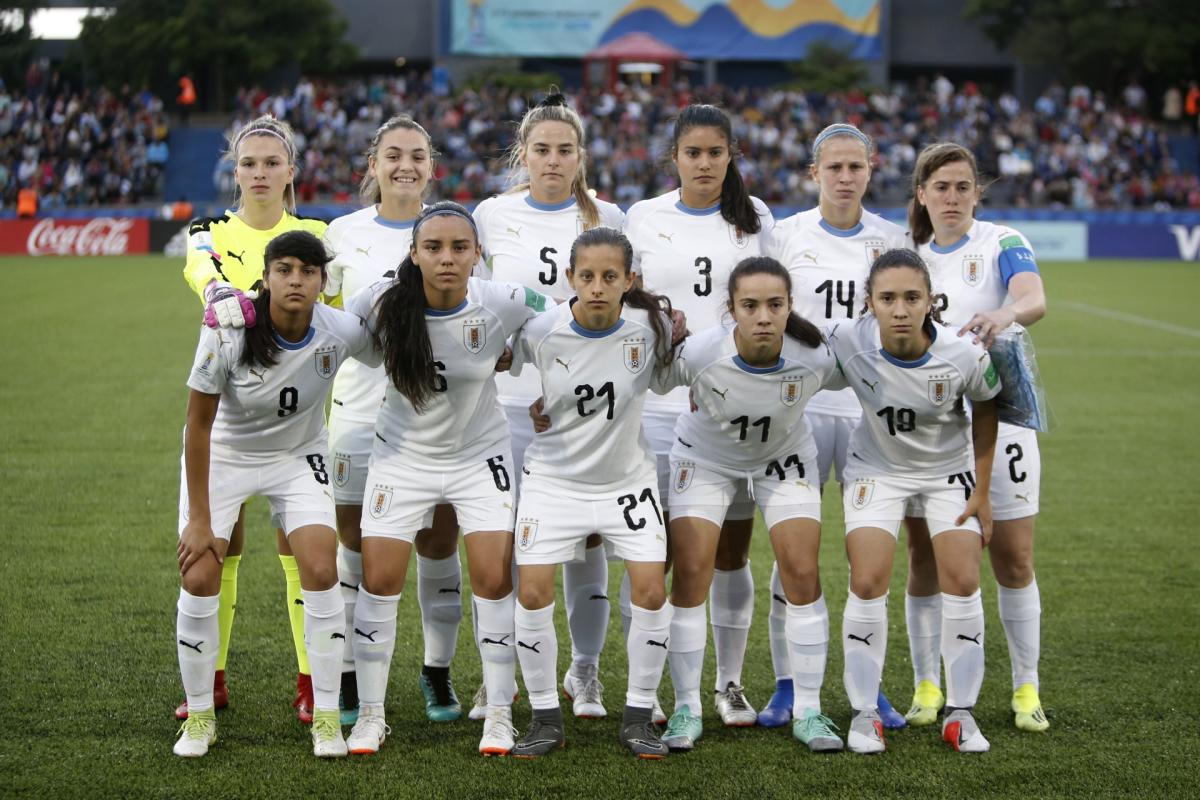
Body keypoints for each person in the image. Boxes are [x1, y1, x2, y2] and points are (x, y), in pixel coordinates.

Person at [340, 202, 551, 758]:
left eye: (460, 247)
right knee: (379, 580)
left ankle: (500, 714)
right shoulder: (383, 303)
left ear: (477, 253)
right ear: (414, 253)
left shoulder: (501, 300)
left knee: (491, 577)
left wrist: (526, 359)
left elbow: (560, 320)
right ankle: (370, 715)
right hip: (400, 459)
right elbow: (336, 335)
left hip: (478, 458)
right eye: (433, 247)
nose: (447, 258)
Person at [173, 230, 371, 758]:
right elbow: (197, 424)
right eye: (284, 269)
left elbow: (394, 343)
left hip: (298, 458)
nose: (296, 280)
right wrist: (198, 519)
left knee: (322, 570)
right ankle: (198, 717)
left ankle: (327, 717)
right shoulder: (229, 329)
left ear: (322, 282)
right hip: (225, 455)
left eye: (307, 272)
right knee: (199, 572)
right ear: (265, 276)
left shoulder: (340, 330)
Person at [472, 91, 624, 721]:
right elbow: (475, 304)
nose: (554, 160)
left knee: (585, 539)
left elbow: (620, 311)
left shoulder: (606, 215)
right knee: (502, 543)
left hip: (581, 409)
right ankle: (498, 675)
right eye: (542, 150)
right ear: (524, 155)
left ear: (580, 156)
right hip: (502, 405)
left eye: (565, 150)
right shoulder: (490, 215)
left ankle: (583, 672)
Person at [623, 103, 774, 728]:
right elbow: (628, 299)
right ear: (675, 159)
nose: (705, 163)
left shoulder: (756, 217)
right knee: (655, 556)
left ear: (730, 155)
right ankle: (650, 688)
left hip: (732, 414)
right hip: (656, 408)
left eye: (716, 152)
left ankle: (729, 684)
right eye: (693, 153)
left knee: (730, 555)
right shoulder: (644, 217)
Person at [661, 257, 846, 754]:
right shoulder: (701, 353)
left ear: (790, 306)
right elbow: (645, 376)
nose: (763, 316)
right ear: (731, 310)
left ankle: (809, 708)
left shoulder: (816, 356)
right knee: (692, 574)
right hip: (706, 461)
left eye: (775, 305)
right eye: (750, 305)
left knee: (802, 573)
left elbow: (876, 363)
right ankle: (686, 707)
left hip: (784, 460)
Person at [507, 226, 678, 759]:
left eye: (610, 276)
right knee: (533, 592)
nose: (598, 286)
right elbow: (501, 368)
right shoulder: (541, 330)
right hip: (553, 480)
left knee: (650, 590)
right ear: (570, 279)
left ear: (629, 280)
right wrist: (540, 406)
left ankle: (637, 717)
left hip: (626, 481)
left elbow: (674, 378)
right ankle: (543, 718)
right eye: (587, 276)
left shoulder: (651, 332)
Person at [181, 114, 328, 723]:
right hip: (228, 414)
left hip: (300, 421)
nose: (260, 173)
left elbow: (335, 308)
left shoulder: (318, 231)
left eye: (272, 163)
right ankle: (210, 681)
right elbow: (205, 280)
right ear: (234, 170)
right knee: (221, 545)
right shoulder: (207, 231)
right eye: (249, 163)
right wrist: (231, 297)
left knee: (303, 550)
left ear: (291, 171)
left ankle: (310, 682)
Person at [763, 122, 908, 728]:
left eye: (856, 167)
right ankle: (788, 683)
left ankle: (865, 687)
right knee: (791, 554)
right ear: (813, 173)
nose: (845, 177)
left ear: (871, 170)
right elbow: (762, 306)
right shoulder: (785, 235)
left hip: (867, 416)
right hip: (797, 412)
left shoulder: (893, 238)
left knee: (865, 556)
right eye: (834, 168)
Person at [901, 142, 1049, 732]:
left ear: (977, 193)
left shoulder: (1001, 241)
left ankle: (1025, 687)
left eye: (963, 187)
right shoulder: (905, 256)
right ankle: (927, 683)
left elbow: (1033, 297)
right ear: (922, 194)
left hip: (1002, 419)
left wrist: (1003, 316)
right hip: (929, 432)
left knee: (1013, 558)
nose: (953, 197)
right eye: (941, 187)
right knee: (924, 561)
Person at [323, 115, 466, 725]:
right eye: (393, 155)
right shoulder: (341, 234)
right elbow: (324, 327)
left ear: (432, 166)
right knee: (355, 550)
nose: (405, 165)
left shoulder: (454, 229)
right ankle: (351, 679)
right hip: (357, 416)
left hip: (436, 419)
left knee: (437, 543)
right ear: (373, 165)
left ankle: (437, 673)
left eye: (416, 156)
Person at [828, 248, 1000, 754]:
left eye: (911, 297)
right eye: (887, 299)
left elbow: (988, 408)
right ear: (869, 304)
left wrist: (984, 491)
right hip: (876, 470)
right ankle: (864, 715)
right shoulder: (848, 341)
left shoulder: (963, 354)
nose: (900, 309)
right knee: (866, 579)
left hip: (948, 473)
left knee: (964, 579)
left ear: (931, 300)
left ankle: (961, 713)